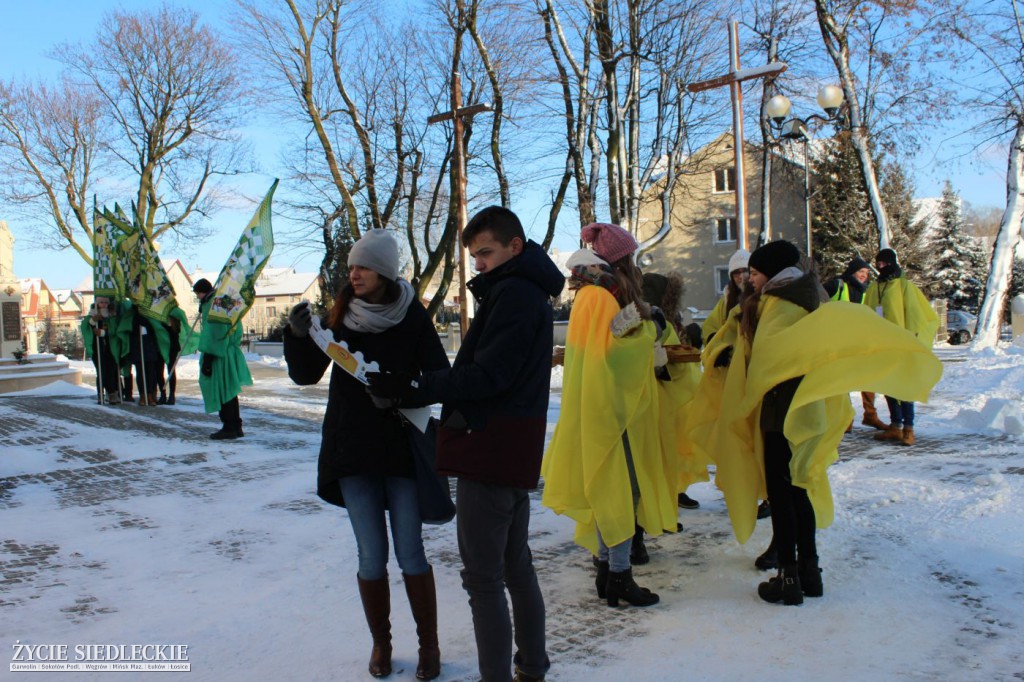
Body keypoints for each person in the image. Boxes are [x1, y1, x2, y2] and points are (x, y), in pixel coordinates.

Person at [367, 206, 561, 682]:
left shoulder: (514, 293)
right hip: (510, 447)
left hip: (490, 448)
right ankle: (532, 666)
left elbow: (490, 375)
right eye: (474, 256)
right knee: (515, 568)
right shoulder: (523, 290)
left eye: (486, 253)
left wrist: (417, 387)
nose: (479, 265)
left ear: (516, 247)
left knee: (484, 580)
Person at [703, 240, 942, 605]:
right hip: (808, 410)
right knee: (800, 491)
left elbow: (771, 361)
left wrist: (738, 360)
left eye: (753, 273)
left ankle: (787, 578)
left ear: (772, 273)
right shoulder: (807, 297)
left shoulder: (781, 304)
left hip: (783, 412)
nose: (749, 280)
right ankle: (809, 573)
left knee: (783, 495)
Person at [284, 229, 450, 680]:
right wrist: (299, 336)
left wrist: (400, 391)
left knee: (411, 552)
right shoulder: (340, 315)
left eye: (363, 267)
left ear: (385, 272)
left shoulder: (412, 316)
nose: (353, 273)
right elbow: (305, 375)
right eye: (352, 266)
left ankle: (428, 646)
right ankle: (381, 643)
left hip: (401, 449)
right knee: (370, 555)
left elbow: (440, 375)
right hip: (353, 447)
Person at [542, 222, 677, 609]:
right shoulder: (601, 296)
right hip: (610, 410)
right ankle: (618, 576)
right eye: (629, 258)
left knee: (609, 488)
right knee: (620, 490)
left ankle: (607, 571)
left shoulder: (593, 292)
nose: (633, 265)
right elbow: (616, 354)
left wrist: (639, 318)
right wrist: (647, 327)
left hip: (598, 404)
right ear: (618, 260)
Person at [641, 272, 706, 512]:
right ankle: (662, 504)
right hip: (660, 391)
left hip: (674, 390)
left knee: (673, 446)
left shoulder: (669, 317)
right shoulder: (651, 316)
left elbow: (679, 344)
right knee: (662, 449)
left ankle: (674, 493)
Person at [864, 248, 939, 446]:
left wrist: (911, 340)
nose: (881, 267)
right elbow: (867, 313)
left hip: (902, 344)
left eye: (885, 263)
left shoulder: (904, 286)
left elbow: (915, 314)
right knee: (888, 385)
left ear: (893, 263)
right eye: (879, 264)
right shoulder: (874, 287)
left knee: (904, 386)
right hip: (882, 345)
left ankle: (909, 428)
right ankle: (895, 426)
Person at [824, 256, 887, 431]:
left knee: (868, 378)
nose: (863, 275)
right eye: (860, 271)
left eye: (866, 273)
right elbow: (817, 300)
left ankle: (870, 415)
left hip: (861, 340)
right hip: (838, 341)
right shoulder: (838, 285)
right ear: (852, 271)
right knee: (842, 382)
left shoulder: (868, 291)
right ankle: (846, 419)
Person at [193, 278, 252, 439]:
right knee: (230, 391)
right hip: (228, 351)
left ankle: (229, 427)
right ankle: (236, 425)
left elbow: (215, 332)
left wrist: (208, 358)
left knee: (223, 390)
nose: (197, 298)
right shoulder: (222, 300)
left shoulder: (214, 305)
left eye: (197, 294)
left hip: (219, 354)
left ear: (201, 292)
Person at [701, 248, 749, 346]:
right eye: (736, 273)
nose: (741, 276)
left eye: (745, 271)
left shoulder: (760, 297)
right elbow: (709, 326)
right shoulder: (726, 300)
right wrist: (715, 343)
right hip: (731, 354)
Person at [81, 298, 124, 405]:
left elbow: (115, 330)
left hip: (111, 347)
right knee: (101, 372)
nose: (103, 305)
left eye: (105, 302)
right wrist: (92, 322)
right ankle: (101, 394)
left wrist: (105, 334)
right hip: (98, 348)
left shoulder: (112, 316)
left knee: (112, 371)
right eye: (101, 302)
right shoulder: (92, 315)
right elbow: (86, 328)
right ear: (97, 303)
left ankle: (113, 393)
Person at [128, 304, 161, 406]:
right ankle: (143, 394)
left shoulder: (151, 314)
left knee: (150, 373)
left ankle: (150, 394)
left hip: (149, 347)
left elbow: (156, 328)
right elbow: (129, 327)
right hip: (138, 347)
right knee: (140, 373)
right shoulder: (132, 315)